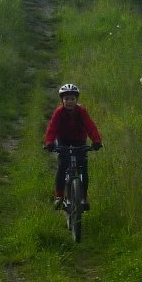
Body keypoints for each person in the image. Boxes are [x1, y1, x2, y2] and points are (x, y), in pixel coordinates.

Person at [44, 83, 102, 211]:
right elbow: (52, 128)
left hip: (79, 141)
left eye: (72, 99)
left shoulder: (81, 111)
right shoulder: (59, 112)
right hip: (64, 141)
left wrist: (96, 140)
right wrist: (49, 142)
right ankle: (59, 196)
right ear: (62, 100)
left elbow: (90, 126)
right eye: (66, 99)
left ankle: (83, 197)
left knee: (83, 169)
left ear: (76, 100)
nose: (70, 101)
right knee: (62, 166)